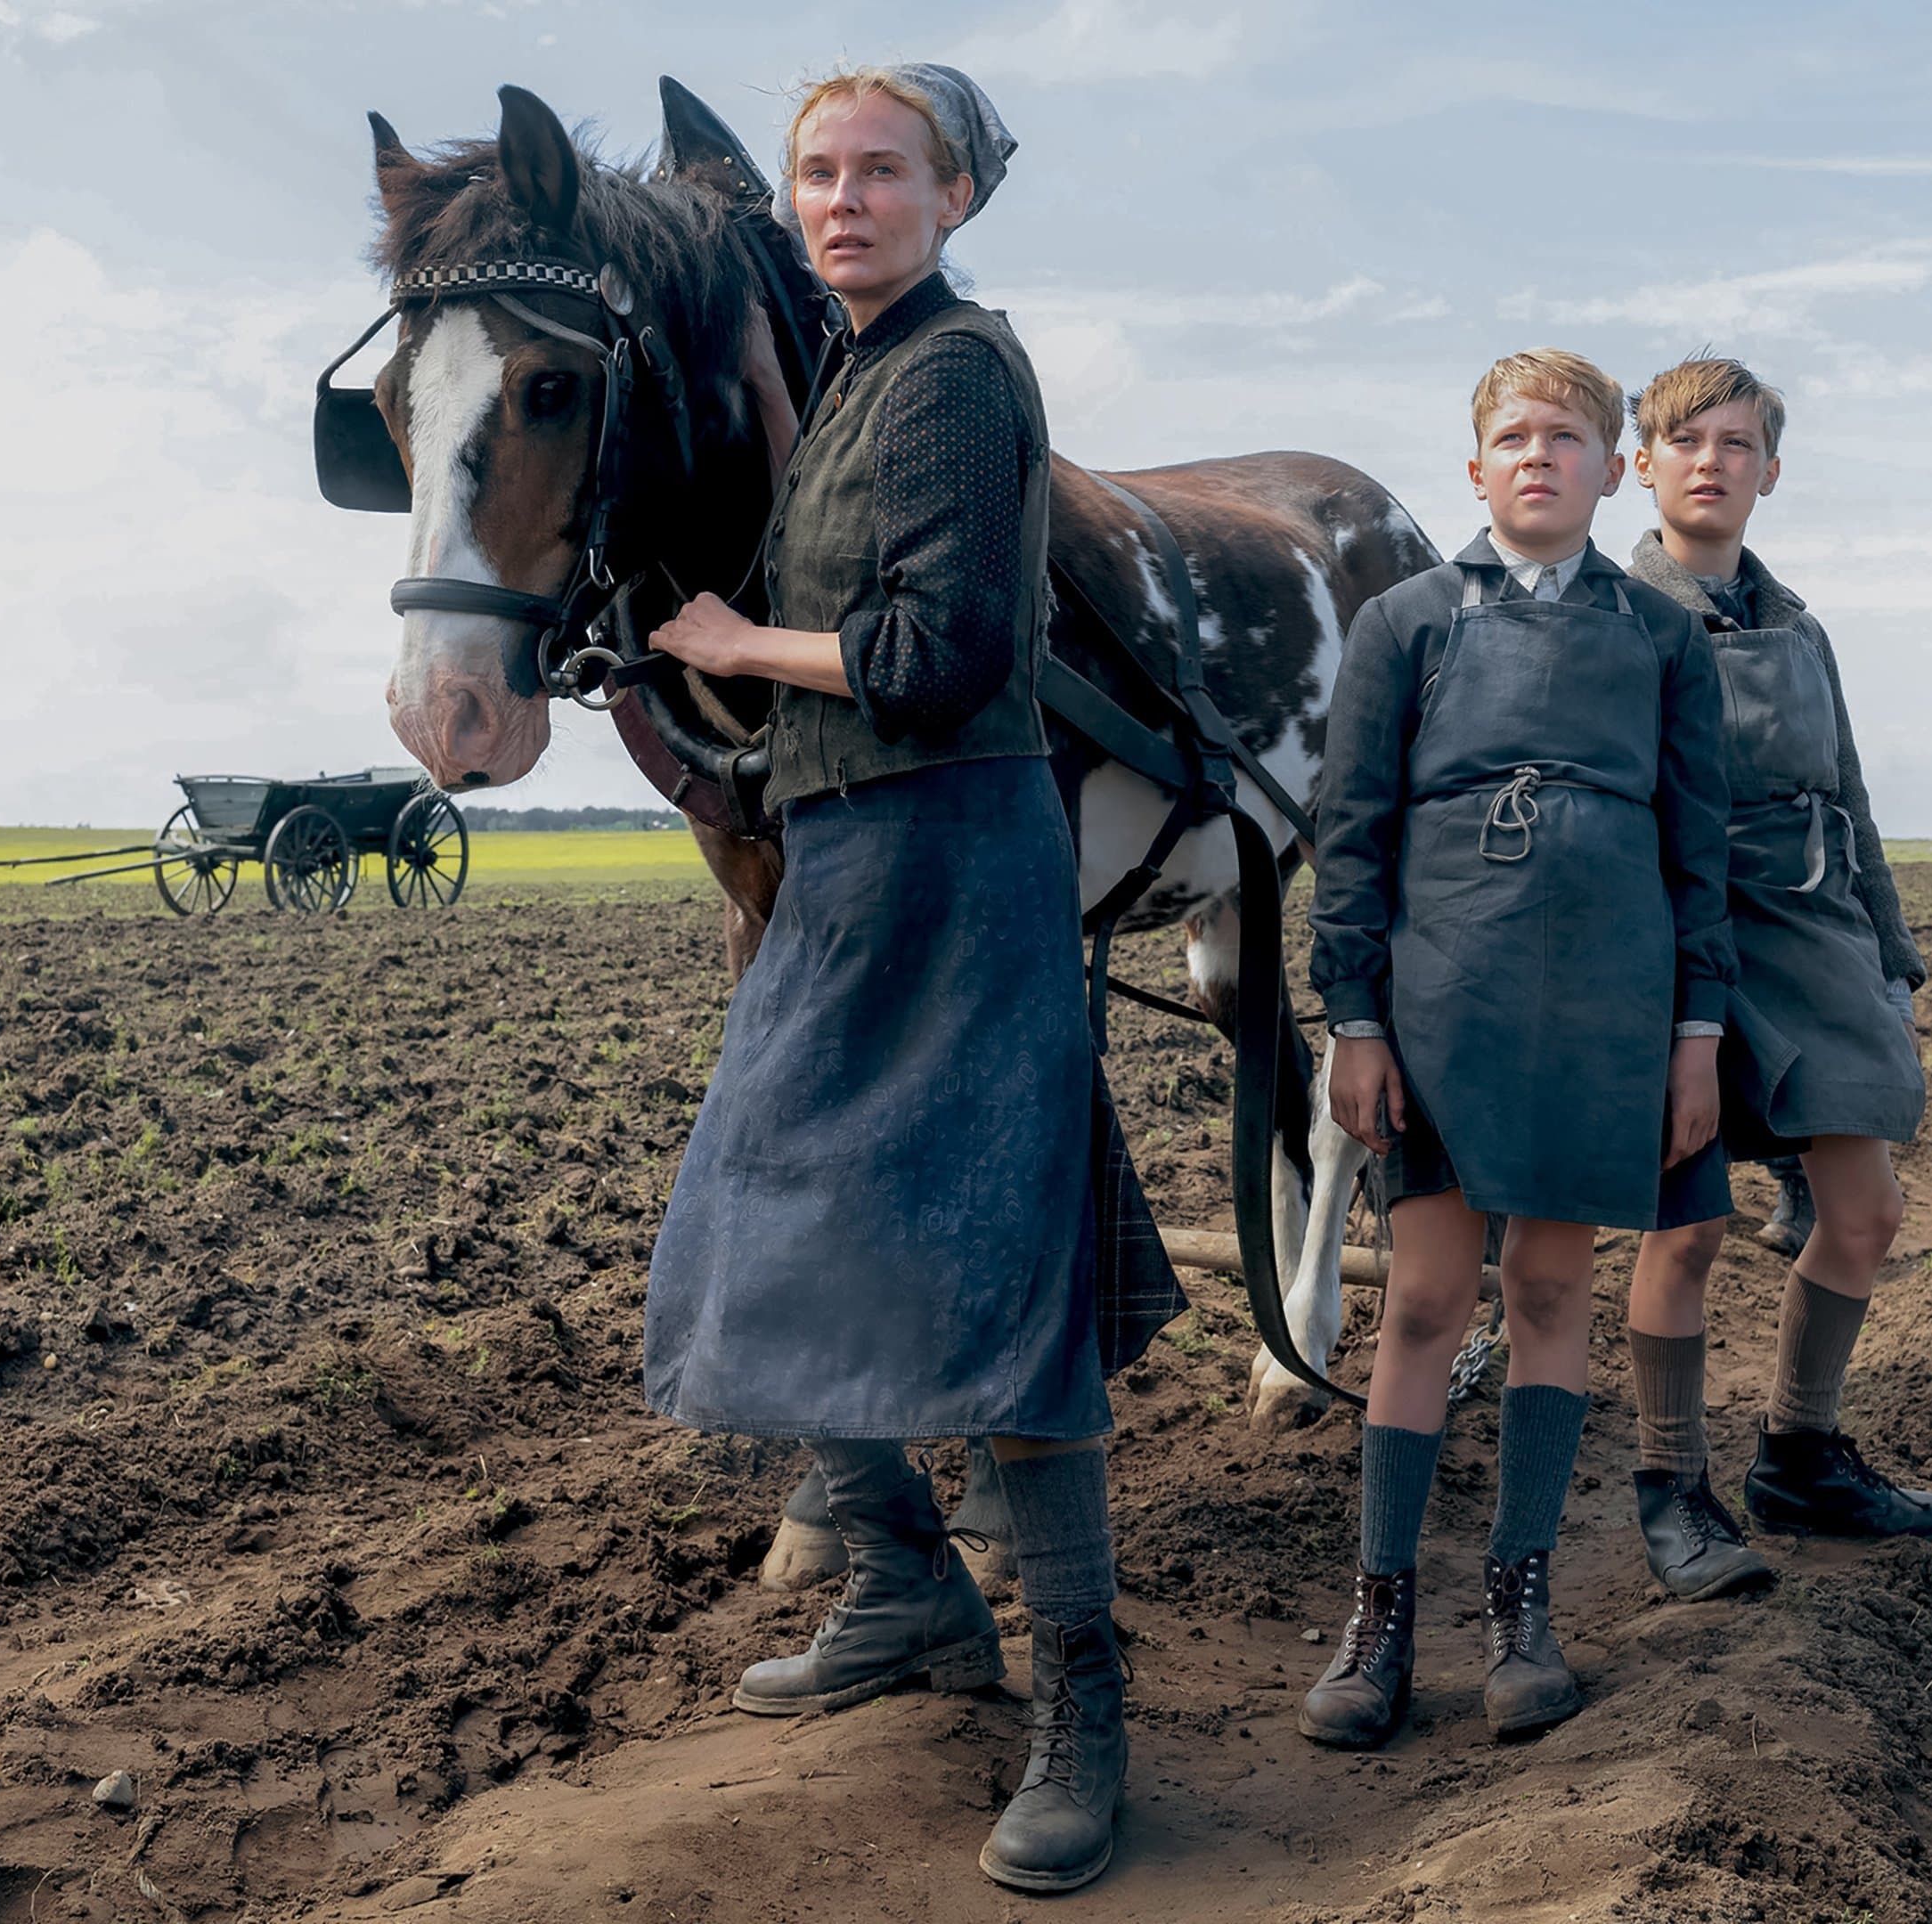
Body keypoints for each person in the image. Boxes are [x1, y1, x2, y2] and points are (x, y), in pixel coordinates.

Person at [639, 64, 1175, 1895]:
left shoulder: (951, 372)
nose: (843, 198)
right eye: (819, 171)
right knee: (774, 1232)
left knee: (1005, 1295)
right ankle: (904, 1588)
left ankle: (1083, 1714)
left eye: (883, 172)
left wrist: (735, 639)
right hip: (853, 861)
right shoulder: (863, 372)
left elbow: (938, 656)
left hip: (952, 852)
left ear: (955, 195)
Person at [1294, 350, 1734, 1749]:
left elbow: (1699, 855)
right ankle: (1379, 1622)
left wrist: (1695, 1038)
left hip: (1610, 1000)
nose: (1538, 456)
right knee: (1425, 1302)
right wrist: (1354, 1018)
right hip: (1445, 998)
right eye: (1511, 438)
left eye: (1567, 438)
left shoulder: (1660, 640)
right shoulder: (1407, 624)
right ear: (1473, 469)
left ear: (1614, 470)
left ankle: (1521, 1602)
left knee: (1551, 1292)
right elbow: (1349, 836)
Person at [1614, 356, 1932, 1607]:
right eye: (1685, 439)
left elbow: (1850, 798)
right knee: (1688, 1227)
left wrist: (1891, 953)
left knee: (1862, 1214)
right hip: (1678, 937)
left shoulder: (1800, 627)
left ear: (1772, 469)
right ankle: (1670, 1489)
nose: (1712, 460)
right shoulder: (1614, 616)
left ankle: (1801, 1457)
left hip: (1810, 937)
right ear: (1640, 464)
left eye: (1739, 442)